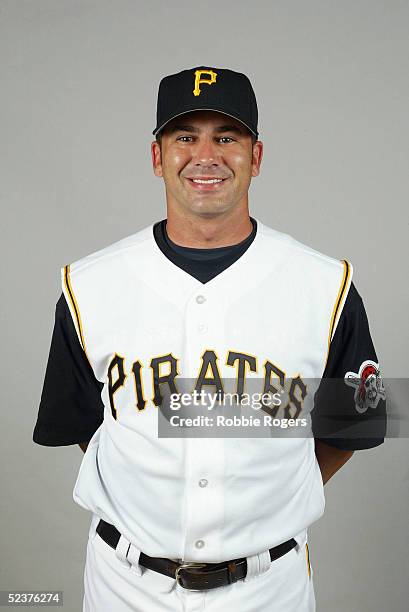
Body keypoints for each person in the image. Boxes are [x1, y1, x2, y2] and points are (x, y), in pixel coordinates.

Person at [33, 66, 387, 611]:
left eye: (226, 137)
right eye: (185, 136)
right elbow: (79, 422)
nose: (206, 155)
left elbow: (356, 423)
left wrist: (274, 501)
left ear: (257, 157)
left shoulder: (326, 284)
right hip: (125, 586)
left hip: (270, 589)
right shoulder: (88, 283)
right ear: (157, 157)